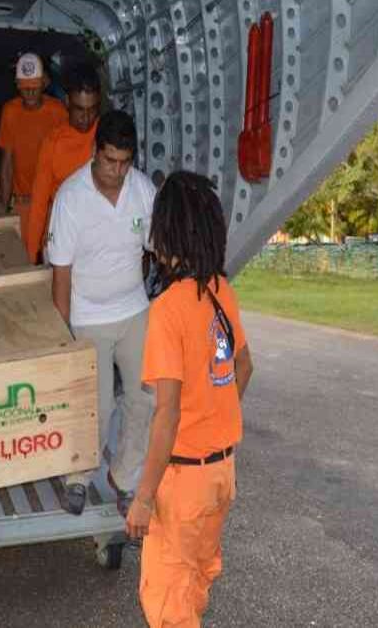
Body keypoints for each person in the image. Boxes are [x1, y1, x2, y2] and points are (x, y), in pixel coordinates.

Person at [125, 171, 254, 628]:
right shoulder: (222, 292)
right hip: (220, 475)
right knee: (194, 584)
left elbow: (167, 412)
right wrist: (215, 415)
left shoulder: (169, 309)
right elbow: (243, 366)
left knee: (167, 604)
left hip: (183, 483)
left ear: (167, 235)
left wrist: (142, 497)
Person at [45, 110, 155, 516]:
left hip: (133, 310)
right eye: (110, 160)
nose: (117, 170)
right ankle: (77, 476)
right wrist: (63, 336)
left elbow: (159, 246)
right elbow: (61, 273)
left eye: (125, 162)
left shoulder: (141, 189)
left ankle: (124, 478)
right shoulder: (71, 197)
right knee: (98, 403)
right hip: (87, 315)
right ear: (95, 152)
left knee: (146, 396)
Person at [25, 61, 102, 263]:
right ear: (67, 101)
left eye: (92, 109)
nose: (86, 118)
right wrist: (32, 256)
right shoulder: (52, 143)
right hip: (61, 238)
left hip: (99, 240)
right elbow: (39, 204)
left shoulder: (106, 136)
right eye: (79, 109)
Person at [0, 53, 68, 249]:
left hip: (53, 204)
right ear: (17, 85)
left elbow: (66, 161)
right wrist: (3, 209)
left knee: (53, 258)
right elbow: (7, 163)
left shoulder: (59, 111)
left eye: (34, 88)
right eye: (24, 88)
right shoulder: (10, 111)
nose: (29, 94)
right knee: (22, 261)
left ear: (44, 82)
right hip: (23, 203)